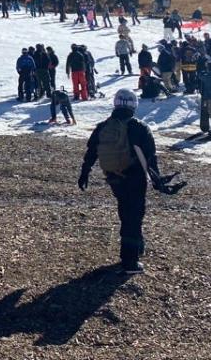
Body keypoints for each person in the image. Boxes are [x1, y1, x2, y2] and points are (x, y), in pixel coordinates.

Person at [77, 89, 183, 274]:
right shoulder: (139, 127)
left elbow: (92, 150)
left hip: (113, 177)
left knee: (125, 210)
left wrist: (84, 173)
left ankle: (136, 246)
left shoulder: (103, 126)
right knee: (133, 216)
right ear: (133, 105)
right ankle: (130, 261)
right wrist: (158, 182)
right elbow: (150, 158)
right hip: (135, 177)